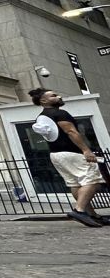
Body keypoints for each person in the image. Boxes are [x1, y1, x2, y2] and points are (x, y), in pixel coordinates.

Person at [29, 88, 105, 226]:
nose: (58, 96)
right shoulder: (60, 113)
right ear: (43, 100)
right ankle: (79, 210)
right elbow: (71, 131)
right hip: (72, 153)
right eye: (53, 96)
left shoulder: (41, 116)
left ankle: (92, 215)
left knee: (75, 183)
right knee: (93, 180)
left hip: (56, 154)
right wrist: (86, 150)